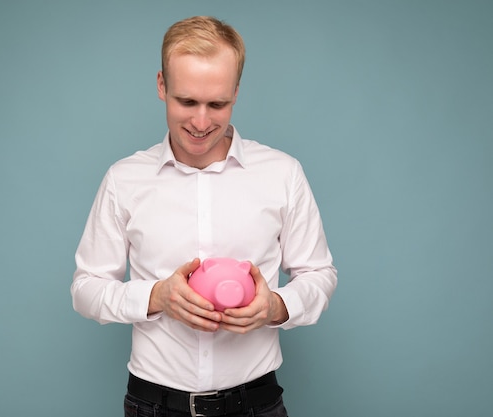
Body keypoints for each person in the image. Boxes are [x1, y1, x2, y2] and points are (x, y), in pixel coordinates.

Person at [71, 15, 337, 417]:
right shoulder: (124, 179)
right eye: (186, 101)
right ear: (161, 85)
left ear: (236, 92)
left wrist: (275, 306)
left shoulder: (282, 173)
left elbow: (319, 274)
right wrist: (156, 296)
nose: (200, 122)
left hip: (257, 405)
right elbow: (85, 289)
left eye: (217, 104)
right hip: (154, 406)